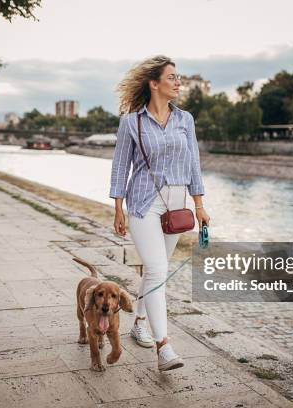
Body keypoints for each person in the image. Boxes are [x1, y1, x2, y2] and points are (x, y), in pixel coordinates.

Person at [109, 55, 210, 371]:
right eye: (172, 77)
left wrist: (200, 206)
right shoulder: (132, 122)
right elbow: (120, 167)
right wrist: (117, 208)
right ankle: (163, 346)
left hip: (176, 206)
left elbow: (193, 163)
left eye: (178, 77)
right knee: (155, 270)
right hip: (142, 203)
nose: (178, 82)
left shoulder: (185, 120)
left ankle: (139, 321)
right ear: (154, 83)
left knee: (156, 270)